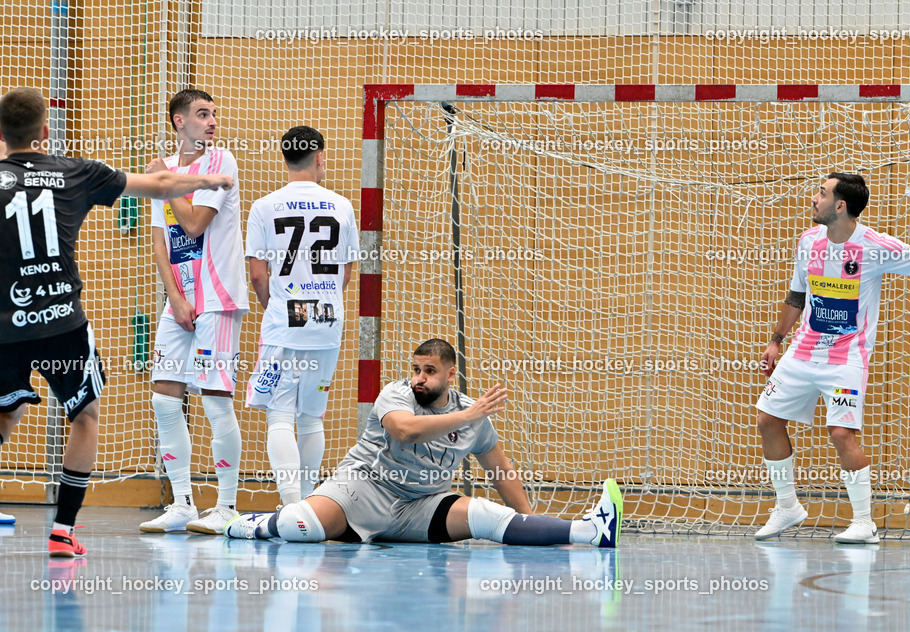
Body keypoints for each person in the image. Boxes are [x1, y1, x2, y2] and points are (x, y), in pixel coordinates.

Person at [0, 86, 234, 555]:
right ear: (46, 132)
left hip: (7, 324)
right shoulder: (75, 171)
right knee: (84, 416)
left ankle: (218, 503)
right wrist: (213, 182)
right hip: (63, 322)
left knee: (6, 412)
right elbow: (163, 186)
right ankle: (63, 530)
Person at [755, 172, 910, 543]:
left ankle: (864, 522)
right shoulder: (808, 241)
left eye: (821, 194)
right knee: (767, 420)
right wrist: (776, 341)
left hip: (846, 359)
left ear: (840, 205)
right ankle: (787, 507)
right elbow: (796, 296)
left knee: (841, 434)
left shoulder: (874, 245)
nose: (813, 199)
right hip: (803, 352)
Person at [224, 339, 623, 548]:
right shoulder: (396, 396)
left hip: (419, 506)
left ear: (450, 374)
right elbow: (404, 431)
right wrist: (469, 416)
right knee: (301, 526)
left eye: (429, 371)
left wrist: (529, 520)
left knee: (485, 513)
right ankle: (253, 524)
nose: (419, 378)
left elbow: (500, 470)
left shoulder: (472, 415)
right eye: (415, 369)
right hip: (362, 489)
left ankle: (588, 532)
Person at [139, 89, 249, 535]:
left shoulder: (220, 162)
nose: (212, 122)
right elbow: (161, 243)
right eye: (202, 114)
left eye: (214, 114)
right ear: (178, 121)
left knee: (214, 398)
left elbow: (193, 224)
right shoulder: (162, 171)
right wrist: (175, 299)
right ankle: (182, 503)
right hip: (179, 301)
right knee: (164, 397)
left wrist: (165, 181)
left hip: (218, 300)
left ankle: (225, 506)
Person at [244, 126, 359, 505]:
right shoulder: (341, 205)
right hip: (327, 321)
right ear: (320, 157)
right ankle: (309, 503)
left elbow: (258, 274)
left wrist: (275, 306)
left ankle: (291, 504)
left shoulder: (264, 206)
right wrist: (321, 304)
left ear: (284, 158)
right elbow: (346, 271)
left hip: (284, 321)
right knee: (312, 416)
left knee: (280, 414)